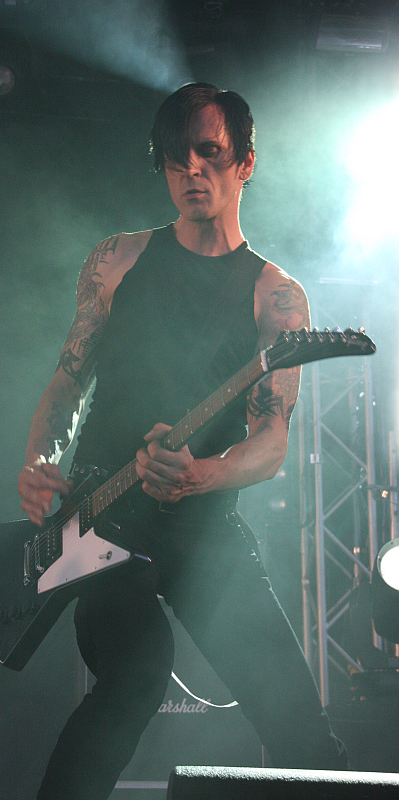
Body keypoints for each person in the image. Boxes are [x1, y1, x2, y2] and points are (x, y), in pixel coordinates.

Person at [18, 83, 348, 800]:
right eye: (175, 156)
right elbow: (67, 383)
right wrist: (40, 459)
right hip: (101, 517)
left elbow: (271, 442)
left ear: (245, 163)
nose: (191, 169)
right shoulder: (116, 260)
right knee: (135, 677)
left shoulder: (276, 297)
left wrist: (202, 475)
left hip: (205, 525)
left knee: (301, 728)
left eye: (209, 152)